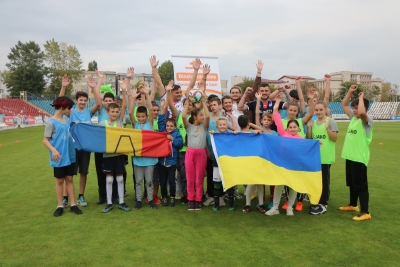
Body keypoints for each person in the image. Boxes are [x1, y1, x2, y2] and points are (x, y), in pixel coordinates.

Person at [266, 91, 314, 217]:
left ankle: (290, 208)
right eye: (291, 127)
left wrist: (316, 144)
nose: (292, 129)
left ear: (298, 128)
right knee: (279, 185)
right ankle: (275, 207)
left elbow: (308, 147)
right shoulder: (283, 133)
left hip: (295, 164)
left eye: (295, 127)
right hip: (282, 163)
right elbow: (275, 114)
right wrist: (277, 102)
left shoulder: (301, 139)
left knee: (293, 186)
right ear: (287, 128)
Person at [59, 72, 102, 208]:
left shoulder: (89, 112)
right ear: (76, 100)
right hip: (72, 147)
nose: (82, 102)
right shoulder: (71, 112)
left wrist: (94, 88)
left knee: (83, 172)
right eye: (80, 100)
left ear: (87, 101)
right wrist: (64, 87)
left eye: (85, 100)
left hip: (85, 147)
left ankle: (81, 196)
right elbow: (60, 103)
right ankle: (65, 198)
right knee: (69, 174)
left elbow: (99, 103)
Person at [43, 96, 82, 217]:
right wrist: (53, 150)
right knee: (60, 180)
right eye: (69, 108)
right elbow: (45, 140)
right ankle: (60, 205)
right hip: (58, 156)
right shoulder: (51, 122)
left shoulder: (66, 118)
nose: (70, 110)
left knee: (69, 179)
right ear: (62, 107)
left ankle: (73, 204)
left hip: (69, 154)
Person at [339, 85, 373, 221]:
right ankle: (353, 205)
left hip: (359, 158)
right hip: (350, 156)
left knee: (361, 185)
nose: (355, 110)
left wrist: (361, 98)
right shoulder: (354, 118)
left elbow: (363, 113)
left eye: (357, 107)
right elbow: (344, 104)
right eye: (354, 108)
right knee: (352, 183)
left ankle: (365, 212)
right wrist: (350, 92)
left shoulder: (367, 121)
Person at [98, 74, 130, 213]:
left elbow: (124, 107)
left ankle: (122, 202)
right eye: (113, 111)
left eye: (117, 111)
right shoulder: (102, 123)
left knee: (120, 179)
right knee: (109, 180)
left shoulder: (120, 121)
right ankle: (109, 203)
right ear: (107, 112)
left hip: (119, 155)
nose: (115, 113)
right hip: (107, 155)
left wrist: (124, 90)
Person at [307, 101, 338, 215]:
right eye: (317, 110)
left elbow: (334, 138)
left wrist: (327, 129)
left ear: (326, 109)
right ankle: (316, 201)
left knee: (324, 181)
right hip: (315, 158)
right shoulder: (313, 123)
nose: (319, 112)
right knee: (315, 180)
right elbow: (310, 140)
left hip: (326, 157)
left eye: (321, 109)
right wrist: (309, 128)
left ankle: (323, 204)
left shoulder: (331, 121)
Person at [182, 83, 210, 211]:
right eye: (200, 115)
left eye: (202, 115)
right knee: (190, 177)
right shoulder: (189, 127)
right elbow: (183, 116)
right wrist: (187, 102)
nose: (202, 117)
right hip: (190, 153)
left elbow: (208, 116)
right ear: (194, 117)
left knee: (199, 177)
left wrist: (204, 101)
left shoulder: (204, 127)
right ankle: (190, 199)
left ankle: (198, 200)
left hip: (201, 153)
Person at [130, 83, 158, 210]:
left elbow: (151, 110)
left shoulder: (150, 123)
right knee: (138, 181)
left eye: (143, 117)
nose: (141, 119)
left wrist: (147, 95)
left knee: (149, 181)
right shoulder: (135, 124)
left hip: (150, 158)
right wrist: (132, 99)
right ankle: (138, 200)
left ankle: (150, 200)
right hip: (138, 158)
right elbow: (130, 112)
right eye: (139, 117)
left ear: (147, 116)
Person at [158, 81, 184, 207]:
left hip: (172, 162)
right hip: (161, 162)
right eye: (167, 126)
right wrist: (164, 106)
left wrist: (173, 139)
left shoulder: (176, 133)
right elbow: (161, 118)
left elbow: (180, 144)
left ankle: (172, 197)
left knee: (172, 182)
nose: (168, 128)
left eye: (171, 126)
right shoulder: (162, 131)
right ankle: (164, 197)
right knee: (163, 182)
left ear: (174, 126)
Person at [255, 92, 278, 210]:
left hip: (272, 159)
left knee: (272, 180)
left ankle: (272, 200)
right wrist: (258, 100)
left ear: (271, 121)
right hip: (261, 159)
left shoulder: (275, 134)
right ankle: (262, 199)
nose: (267, 121)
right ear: (262, 121)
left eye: (269, 120)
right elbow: (256, 113)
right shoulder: (259, 131)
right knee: (262, 180)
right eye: (264, 120)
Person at [209, 117, 238, 211]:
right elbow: (211, 140)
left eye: (224, 124)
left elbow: (237, 139)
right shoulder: (214, 135)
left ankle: (231, 204)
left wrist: (236, 134)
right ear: (217, 126)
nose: (222, 126)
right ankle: (216, 204)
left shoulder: (231, 135)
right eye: (220, 125)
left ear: (227, 126)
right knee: (216, 184)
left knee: (229, 183)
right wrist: (212, 134)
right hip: (216, 163)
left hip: (228, 163)